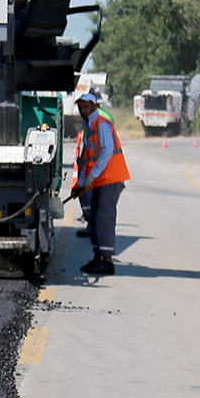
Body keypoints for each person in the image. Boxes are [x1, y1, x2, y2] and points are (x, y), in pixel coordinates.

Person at [70, 88, 130, 274]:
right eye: (81, 107)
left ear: (95, 106)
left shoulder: (102, 124)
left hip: (110, 179)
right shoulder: (89, 128)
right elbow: (86, 160)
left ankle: (107, 261)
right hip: (99, 179)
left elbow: (106, 153)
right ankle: (98, 257)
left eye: (87, 106)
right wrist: (80, 185)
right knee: (95, 219)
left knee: (104, 218)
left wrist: (90, 178)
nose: (83, 110)